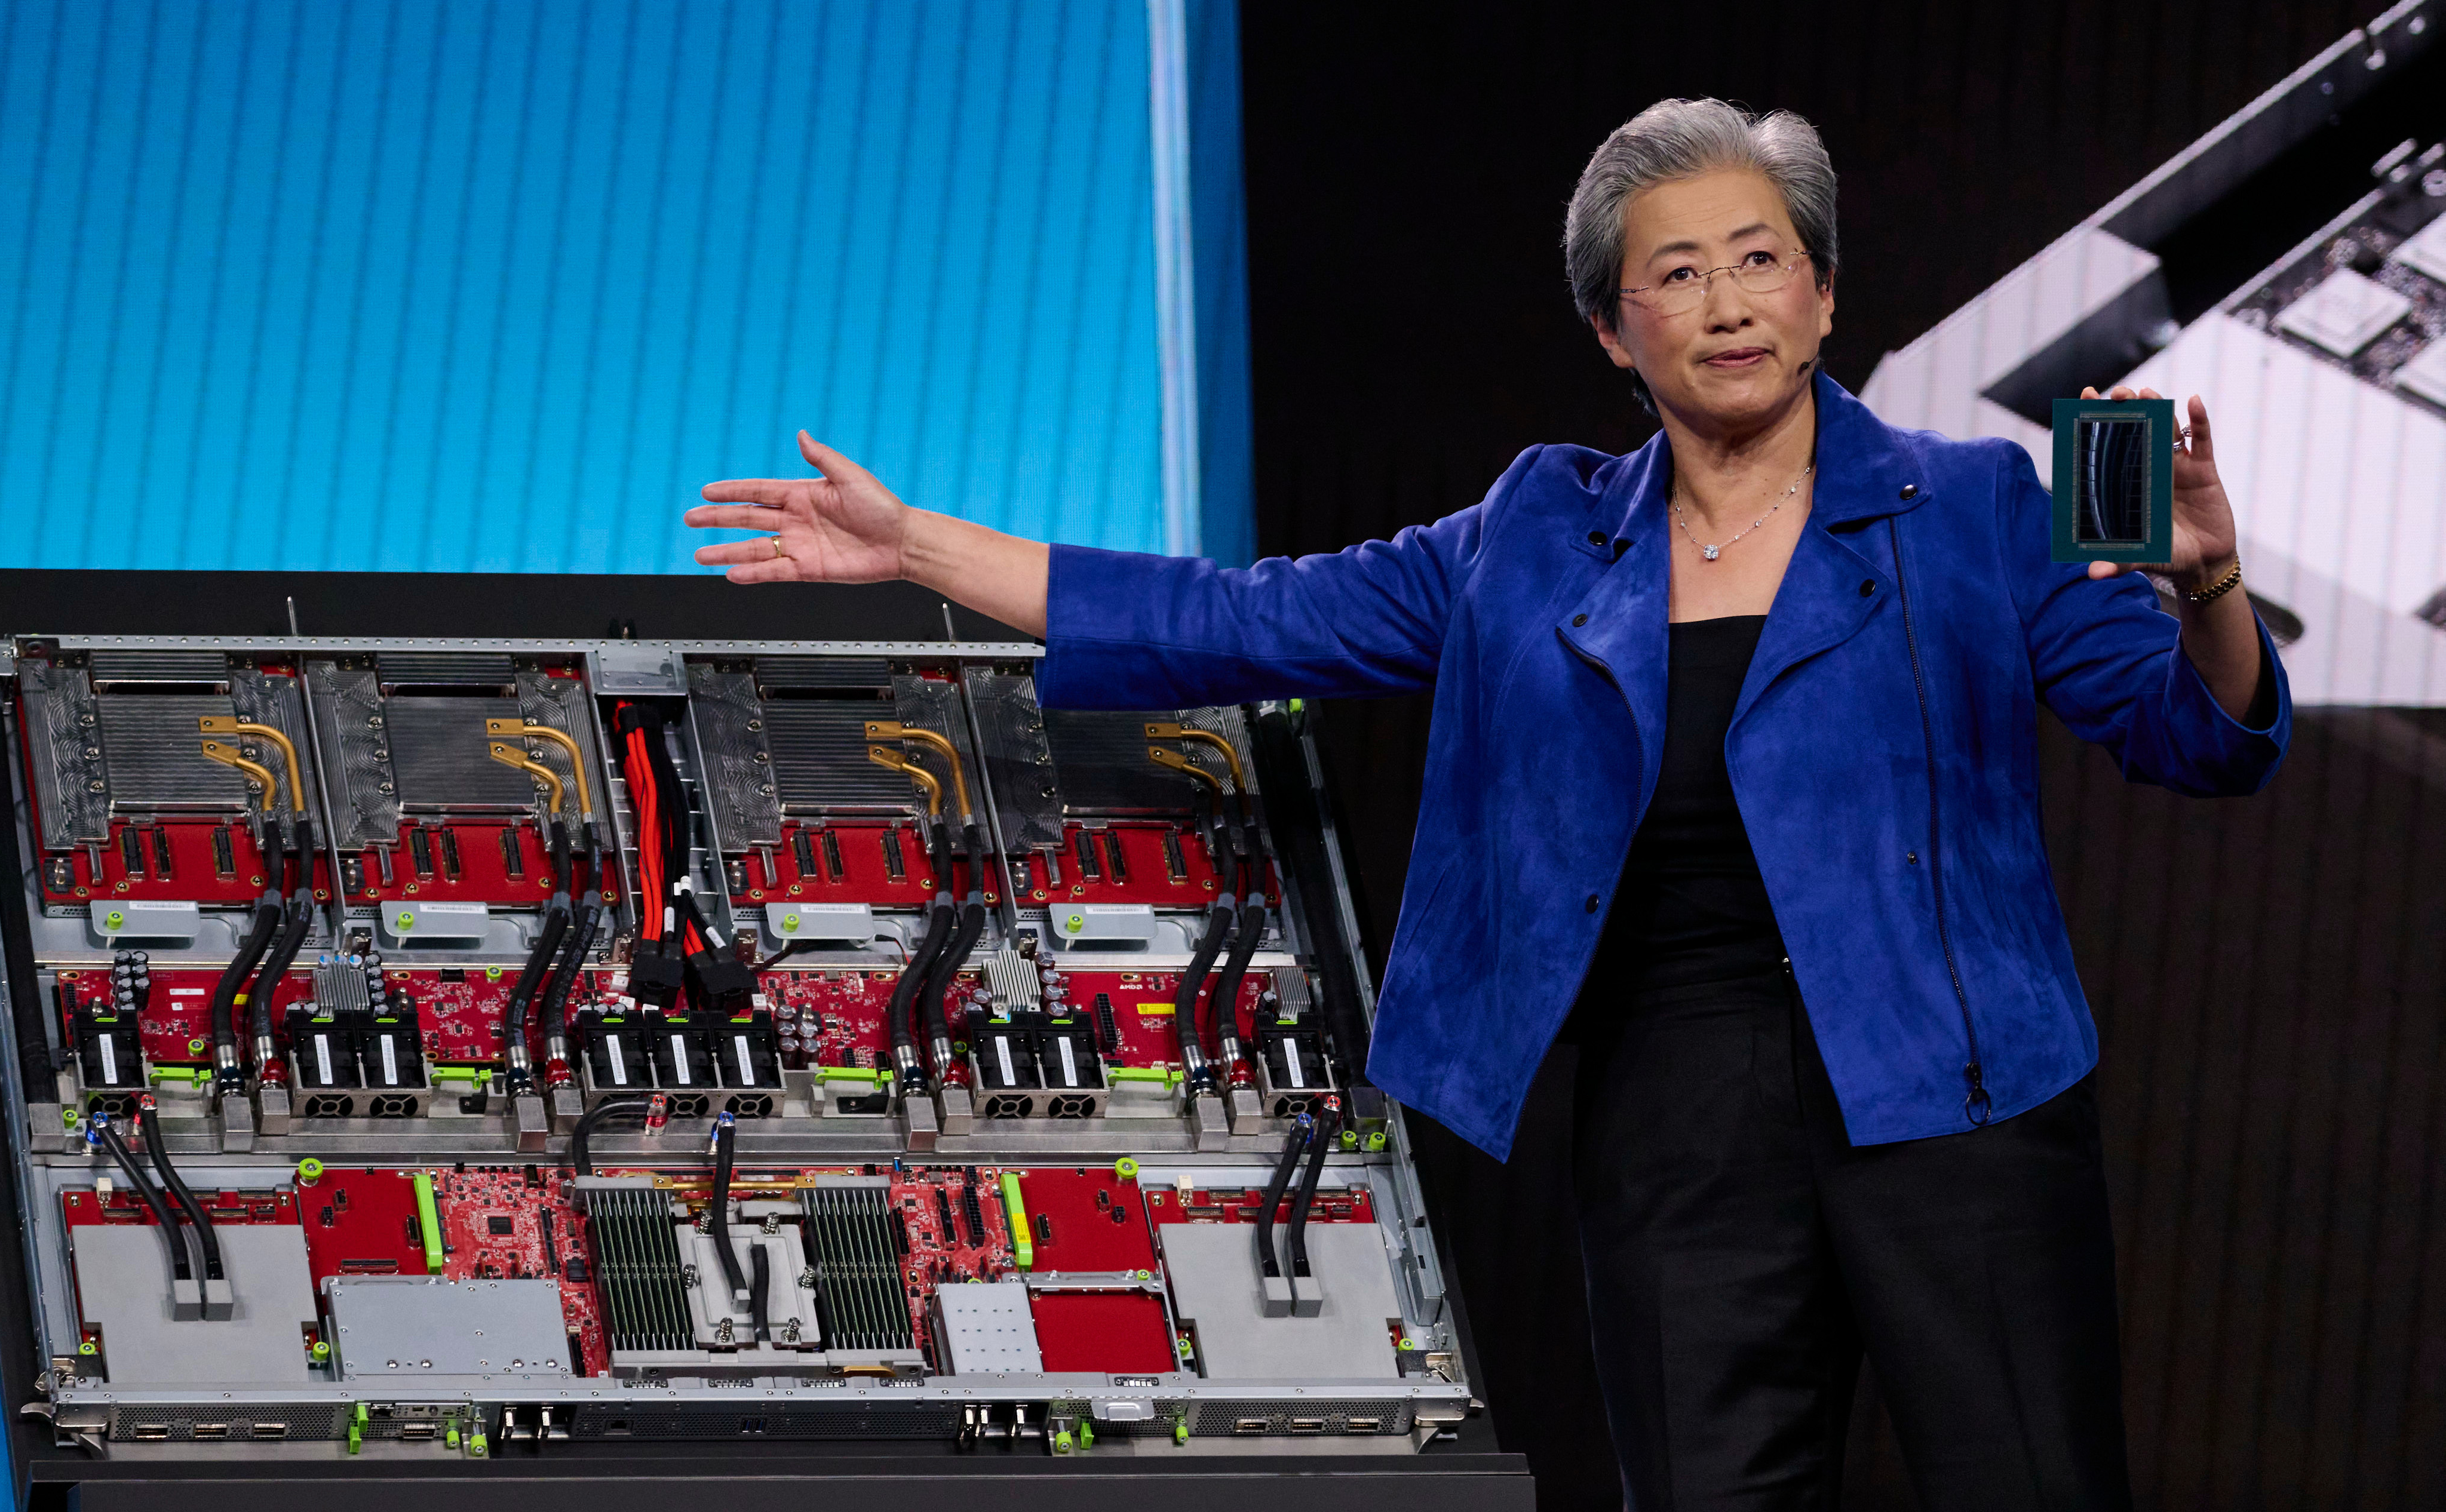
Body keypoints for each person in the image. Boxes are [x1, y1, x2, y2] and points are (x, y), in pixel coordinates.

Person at [688, 98, 2288, 1510]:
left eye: (1760, 259)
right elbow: (1241, 618)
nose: (1728, 303)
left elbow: (2195, 741)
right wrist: (916, 548)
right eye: (1677, 272)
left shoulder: (1979, 505)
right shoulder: (1531, 534)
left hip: (1962, 1100)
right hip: (1679, 1119)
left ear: (1822, 292)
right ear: (1612, 328)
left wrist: (2207, 588)